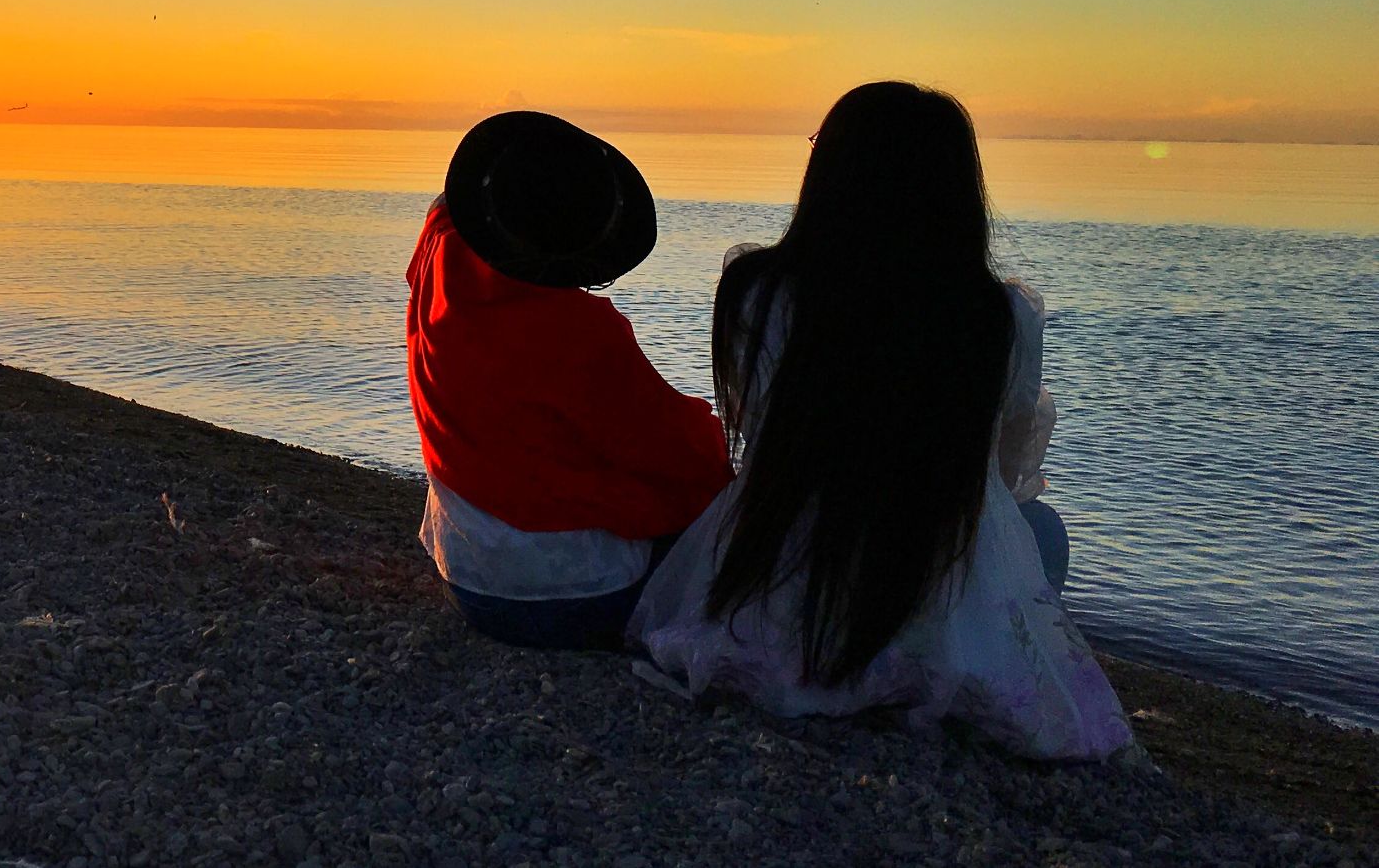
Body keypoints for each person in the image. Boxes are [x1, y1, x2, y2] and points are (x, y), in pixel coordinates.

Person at [629, 82, 1130, 760]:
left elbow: (749, 427)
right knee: (1039, 529)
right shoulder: (996, 318)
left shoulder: (758, 291)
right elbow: (1006, 470)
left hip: (784, 567)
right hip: (930, 554)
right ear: (958, 189)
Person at [408, 111, 733, 650]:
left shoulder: (439, 260)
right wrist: (715, 429)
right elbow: (685, 454)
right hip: (570, 598)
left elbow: (446, 210)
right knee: (717, 505)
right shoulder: (580, 333)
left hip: (460, 570)